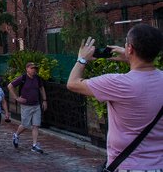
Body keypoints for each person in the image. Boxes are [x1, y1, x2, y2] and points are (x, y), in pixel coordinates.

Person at [67, 24, 163, 171]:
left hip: (128, 166)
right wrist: (131, 58)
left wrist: (82, 59)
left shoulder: (118, 83)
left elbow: (73, 83)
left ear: (129, 48)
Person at [7, 62, 47, 153]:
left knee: (36, 125)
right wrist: (16, 98)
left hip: (36, 105)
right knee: (25, 125)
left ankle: (34, 145)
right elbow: (10, 86)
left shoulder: (37, 78)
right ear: (27, 69)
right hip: (26, 105)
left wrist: (44, 100)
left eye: (35, 68)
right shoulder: (23, 78)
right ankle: (16, 135)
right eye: (32, 68)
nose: (34, 70)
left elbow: (41, 88)